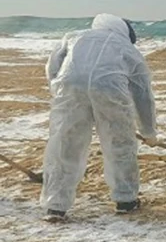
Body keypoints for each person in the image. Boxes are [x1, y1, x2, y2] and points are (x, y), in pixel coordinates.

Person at [41, 14, 158, 221]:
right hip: (110, 90)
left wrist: (59, 89)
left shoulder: (74, 37)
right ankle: (126, 200)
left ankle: (55, 206)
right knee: (120, 144)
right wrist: (148, 131)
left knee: (65, 143)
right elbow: (142, 94)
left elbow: (53, 67)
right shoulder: (129, 49)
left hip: (70, 87)